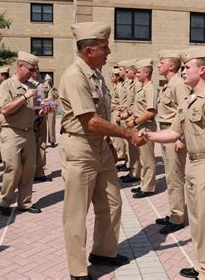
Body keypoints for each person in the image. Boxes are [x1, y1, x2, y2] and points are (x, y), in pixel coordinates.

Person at [59, 22, 142, 280]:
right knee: (76, 213)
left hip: (100, 148)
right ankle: (78, 270)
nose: (108, 53)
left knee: (112, 203)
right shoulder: (75, 76)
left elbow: (100, 119)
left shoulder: (96, 75)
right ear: (88, 50)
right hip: (81, 148)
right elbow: (90, 121)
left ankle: (103, 252)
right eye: (104, 48)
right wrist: (127, 134)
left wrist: (108, 145)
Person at [140, 46, 205, 280]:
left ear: (201, 70)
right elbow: (173, 133)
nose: (183, 71)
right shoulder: (190, 99)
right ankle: (202, 266)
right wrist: (147, 136)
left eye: (187, 67)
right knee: (198, 221)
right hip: (193, 163)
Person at [0, 51, 51, 216]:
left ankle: (25, 203)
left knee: (28, 170)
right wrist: (24, 97)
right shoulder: (7, 85)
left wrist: (43, 110)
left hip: (29, 132)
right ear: (20, 66)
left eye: (35, 70)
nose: (33, 73)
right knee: (13, 169)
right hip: (11, 132)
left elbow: (37, 110)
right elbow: (5, 109)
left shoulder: (35, 86)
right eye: (31, 70)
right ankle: (5, 202)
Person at [155, 49, 189, 234]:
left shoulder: (178, 85)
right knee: (170, 176)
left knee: (175, 177)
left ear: (171, 65)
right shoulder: (168, 84)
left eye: (162, 62)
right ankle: (175, 211)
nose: (158, 65)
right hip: (166, 132)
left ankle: (177, 218)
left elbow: (185, 112)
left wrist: (181, 138)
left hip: (174, 135)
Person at [125, 58, 157, 198]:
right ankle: (144, 183)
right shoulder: (142, 88)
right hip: (140, 125)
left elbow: (150, 112)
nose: (136, 74)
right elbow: (140, 108)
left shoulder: (150, 88)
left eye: (139, 72)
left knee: (147, 158)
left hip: (147, 127)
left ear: (146, 73)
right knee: (143, 158)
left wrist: (135, 121)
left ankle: (148, 187)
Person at [120, 60, 142, 183]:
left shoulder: (138, 84)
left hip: (135, 119)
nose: (124, 73)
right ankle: (133, 171)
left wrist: (128, 113)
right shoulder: (132, 83)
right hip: (129, 118)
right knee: (131, 149)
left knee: (136, 150)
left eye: (126, 70)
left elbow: (138, 104)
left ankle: (136, 173)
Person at [29, 68, 51, 182]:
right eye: (34, 69)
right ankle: (29, 172)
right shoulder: (25, 84)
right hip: (30, 118)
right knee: (30, 146)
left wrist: (49, 103)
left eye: (37, 69)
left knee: (42, 144)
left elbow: (50, 99)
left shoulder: (43, 85)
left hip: (42, 117)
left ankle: (39, 171)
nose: (37, 71)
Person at [43, 74, 59, 148]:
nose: (47, 82)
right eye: (46, 80)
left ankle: (52, 141)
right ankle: (42, 142)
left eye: (48, 80)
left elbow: (55, 97)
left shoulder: (53, 89)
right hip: (44, 108)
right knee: (42, 126)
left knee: (51, 125)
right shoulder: (43, 87)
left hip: (51, 108)